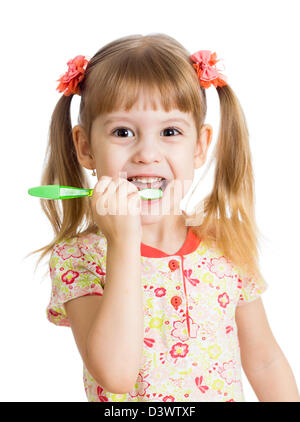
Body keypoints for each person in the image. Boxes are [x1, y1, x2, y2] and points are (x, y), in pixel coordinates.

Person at [30, 33, 299, 402]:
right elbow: (117, 374)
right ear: (85, 148)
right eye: (123, 132)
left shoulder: (226, 243)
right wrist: (123, 241)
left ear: (200, 146)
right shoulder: (80, 259)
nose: (147, 153)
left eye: (170, 131)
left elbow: (265, 361)